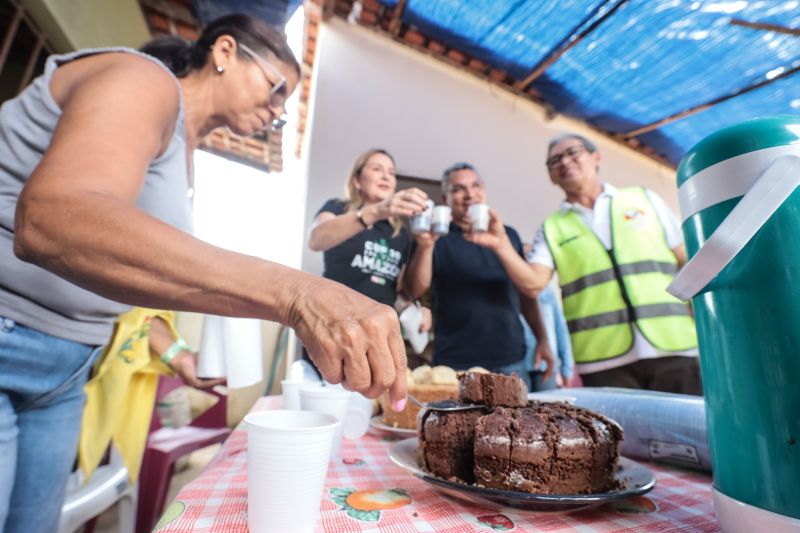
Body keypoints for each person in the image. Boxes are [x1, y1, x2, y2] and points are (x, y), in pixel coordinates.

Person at [0, 15, 406, 532]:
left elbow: (126, 266)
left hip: (68, 366)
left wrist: (174, 352)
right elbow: (51, 220)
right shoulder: (142, 79)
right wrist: (296, 294)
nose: (278, 110)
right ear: (225, 50)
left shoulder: (182, 151)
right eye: (276, 88)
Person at [526, 132, 701, 394]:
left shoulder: (644, 199)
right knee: (624, 436)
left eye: (573, 152)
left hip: (674, 343)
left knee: (690, 430)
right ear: (551, 177)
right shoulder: (551, 228)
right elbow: (533, 283)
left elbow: (686, 259)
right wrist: (499, 243)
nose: (565, 162)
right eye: (555, 161)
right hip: (602, 358)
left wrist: (705, 318)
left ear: (596, 157)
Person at [405, 162, 553, 388]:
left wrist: (543, 339)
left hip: (511, 361)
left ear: (483, 191)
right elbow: (413, 289)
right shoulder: (435, 239)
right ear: (445, 199)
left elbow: (526, 294)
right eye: (458, 189)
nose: (469, 194)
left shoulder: (507, 235)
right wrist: (425, 246)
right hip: (455, 364)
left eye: (475, 186)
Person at [305, 149, 432, 376]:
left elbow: (402, 291)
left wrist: (415, 311)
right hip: (334, 327)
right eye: (377, 169)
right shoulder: (337, 208)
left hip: (377, 335)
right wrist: (375, 212)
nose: (386, 176)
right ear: (357, 179)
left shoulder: (400, 234)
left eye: (391, 173)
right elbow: (316, 239)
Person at [521, 283, 574, 391]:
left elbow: (560, 327)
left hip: (545, 366)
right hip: (517, 367)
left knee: (547, 404)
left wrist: (567, 368)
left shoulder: (545, 287)